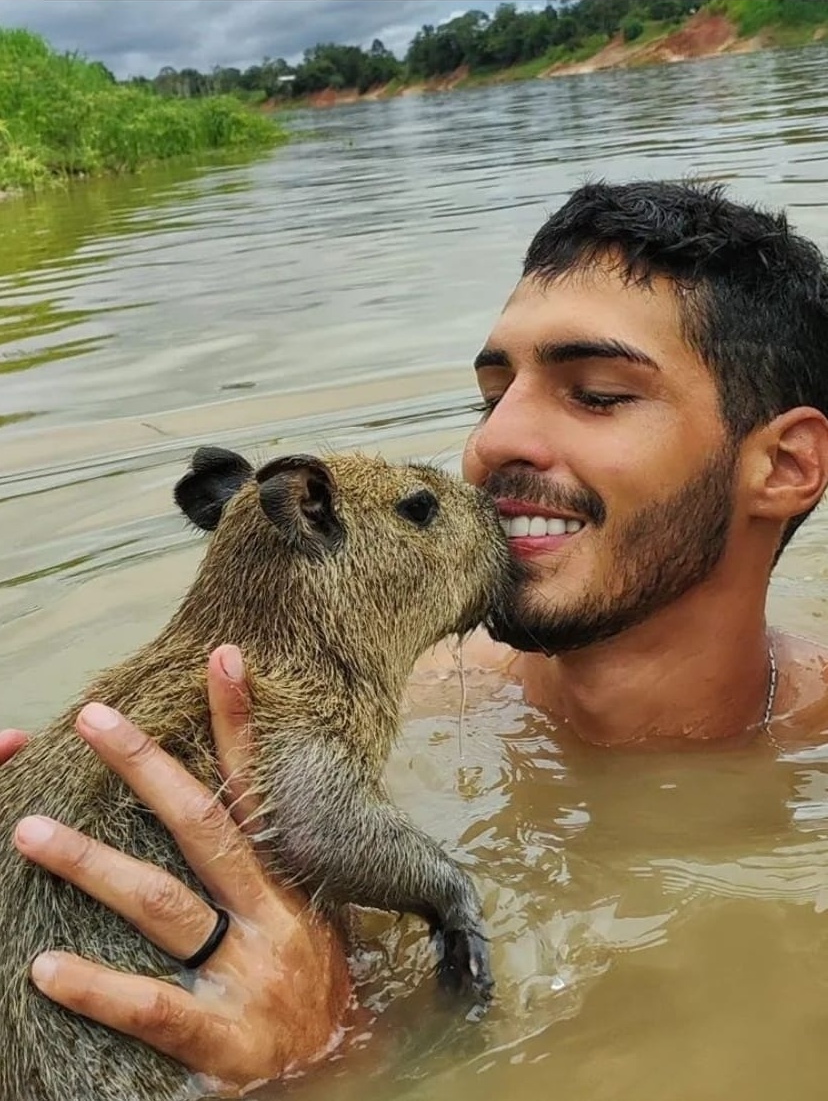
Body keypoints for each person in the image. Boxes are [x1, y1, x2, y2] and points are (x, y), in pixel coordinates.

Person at [5, 178, 828, 1091]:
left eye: (595, 394)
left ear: (786, 466)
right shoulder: (417, 694)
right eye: (490, 397)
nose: (493, 443)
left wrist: (349, 1045)